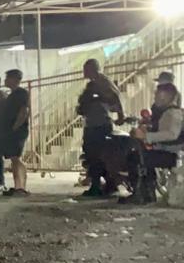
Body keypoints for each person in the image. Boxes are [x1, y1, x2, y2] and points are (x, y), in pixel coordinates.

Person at [125, 82, 183, 201]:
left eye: (157, 94)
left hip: (170, 154)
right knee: (137, 155)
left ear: (165, 96)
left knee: (135, 159)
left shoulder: (173, 113)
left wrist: (147, 136)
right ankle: (146, 192)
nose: (154, 97)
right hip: (164, 150)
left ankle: (143, 193)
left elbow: (172, 134)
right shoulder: (165, 112)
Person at [76, 58, 124, 197]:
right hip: (94, 123)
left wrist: (120, 115)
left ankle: (99, 186)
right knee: (95, 156)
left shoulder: (101, 83)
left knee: (96, 156)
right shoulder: (95, 84)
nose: (84, 72)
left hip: (99, 125)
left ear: (92, 69)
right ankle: (106, 185)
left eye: (86, 69)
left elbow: (114, 98)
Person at [0, 69, 31, 196]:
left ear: (15, 79)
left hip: (17, 130)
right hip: (11, 130)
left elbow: (24, 111)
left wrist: (15, 127)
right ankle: (17, 186)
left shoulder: (21, 93)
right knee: (14, 159)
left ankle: (21, 187)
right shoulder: (12, 95)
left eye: (8, 78)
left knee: (16, 158)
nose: (5, 80)